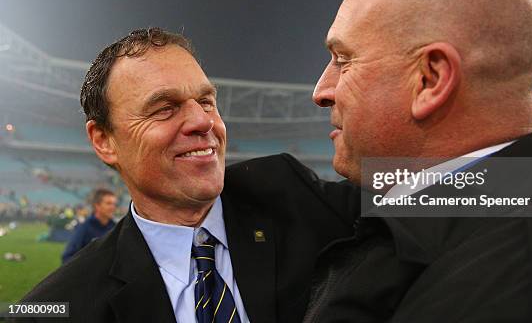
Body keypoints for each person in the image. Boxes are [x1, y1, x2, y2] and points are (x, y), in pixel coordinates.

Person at [304, 0, 532, 322]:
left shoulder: (527, 287)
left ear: (430, 79)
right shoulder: (485, 227)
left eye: (344, 60)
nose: (321, 91)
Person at [19, 28, 359, 323]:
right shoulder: (67, 303)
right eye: (165, 108)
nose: (203, 122)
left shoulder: (286, 188)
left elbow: (408, 193)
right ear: (104, 141)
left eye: (207, 101)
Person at [61, 188, 117, 263]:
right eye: (108, 203)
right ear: (97, 206)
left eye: (114, 204)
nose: (113, 207)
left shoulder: (116, 228)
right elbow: (67, 257)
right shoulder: (84, 228)